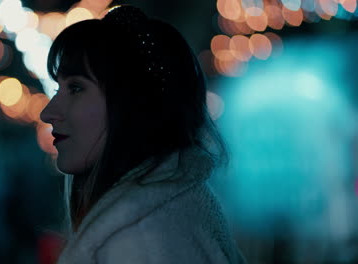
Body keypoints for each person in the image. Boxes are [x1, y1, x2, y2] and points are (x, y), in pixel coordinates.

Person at [40, 5, 246, 264]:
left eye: (77, 88)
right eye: (58, 88)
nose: (48, 113)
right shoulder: (169, 214)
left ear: (132, 104)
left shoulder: (138, 238)